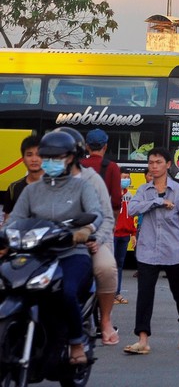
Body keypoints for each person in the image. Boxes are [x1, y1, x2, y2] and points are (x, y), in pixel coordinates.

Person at [9, 130, 103, 366]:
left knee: (66, 291)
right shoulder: (31, 190)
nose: (49, 162)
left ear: (70, 158)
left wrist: (85, 231)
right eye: (46, 157)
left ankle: (76, 342)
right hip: (36, 255)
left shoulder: (82, 187)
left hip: (71, 255)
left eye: (56, 157)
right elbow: (14, 219)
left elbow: (96, 214)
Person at [124, 147, 179, 355]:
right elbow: (131, 209)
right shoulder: (143, 190)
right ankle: (142, 339)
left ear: (168, 165)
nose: (153, 166)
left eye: (158, 162)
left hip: (174, 252)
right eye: (151, 162)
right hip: (147, 252)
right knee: (144, 294)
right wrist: (157, 202)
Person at [56, 126, 120, 347]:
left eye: (61, 154)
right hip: (49, 242)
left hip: (87, 240)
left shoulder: (90, 179)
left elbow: (106, 215)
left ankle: (106, 321)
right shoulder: (41, 181)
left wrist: (97, 239)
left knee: (106, 268)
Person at [1, 134, 43, 223]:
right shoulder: (14, 188)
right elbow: (7, 222)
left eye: (39, 155)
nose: (34, 159)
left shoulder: (55, 185)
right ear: (23, 159)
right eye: (29, 155)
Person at [82, 128, 122, 215]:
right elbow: (116, 200)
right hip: (101, 219)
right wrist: (113, 221)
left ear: (87, 146)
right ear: (105, 146)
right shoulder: (112, 167)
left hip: (80, 218)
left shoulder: (78, 165)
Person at [114, 168, 137, 305]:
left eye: (128, 177)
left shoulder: (130, 196)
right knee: (110, 266)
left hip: (124, 235)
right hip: (113, 234)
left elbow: (131, 217)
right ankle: (108, 294)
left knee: (119, 265)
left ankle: (117, 294)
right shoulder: (113, 195)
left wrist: (133, 234)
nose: (126, 180)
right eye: (123, 177)